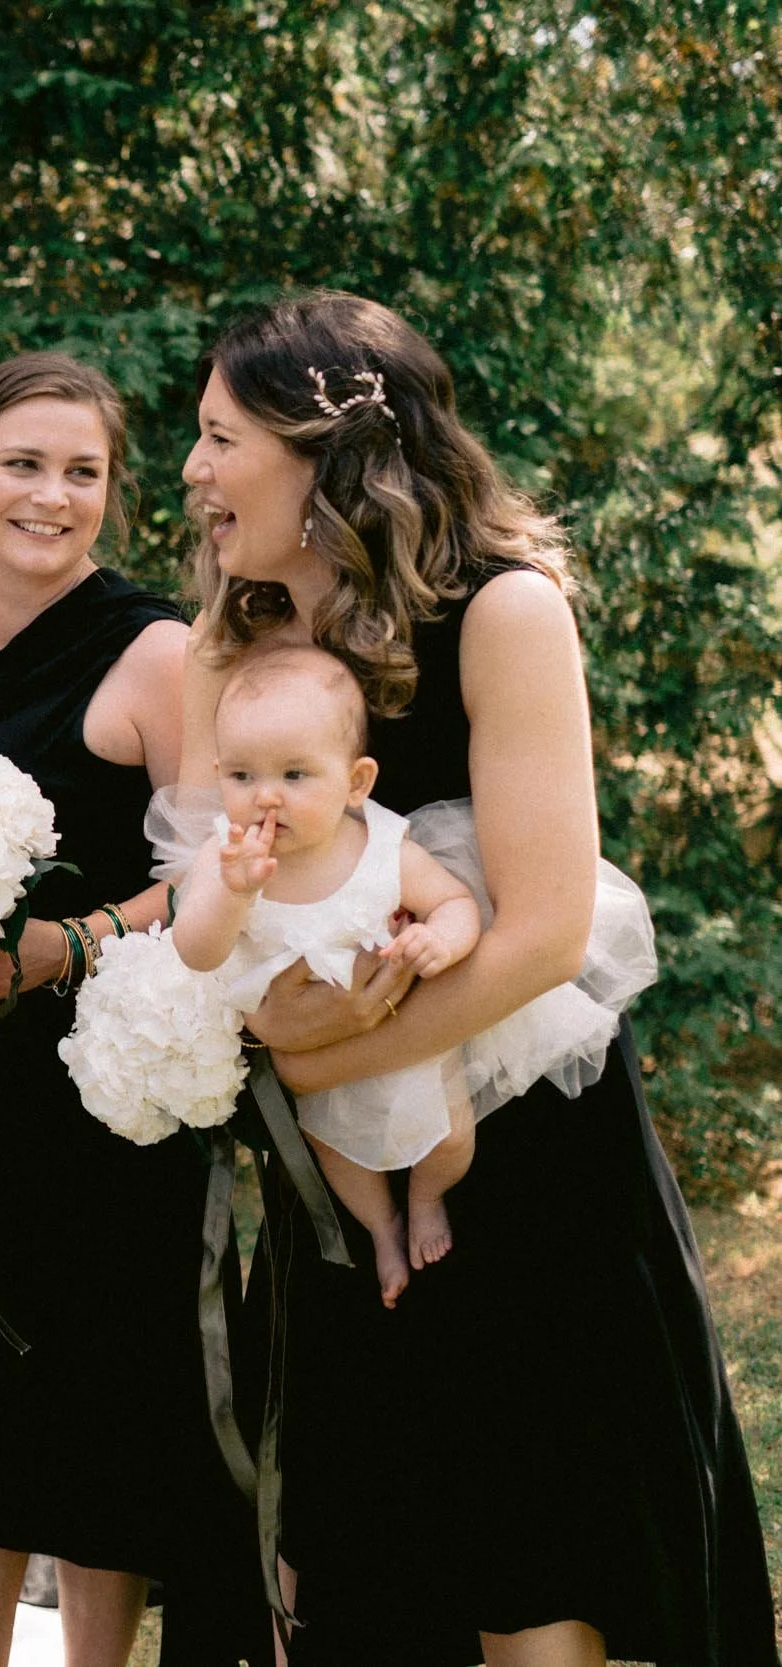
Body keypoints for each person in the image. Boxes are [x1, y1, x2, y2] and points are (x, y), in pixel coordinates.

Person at [178, 289, 775, 1666]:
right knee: (368, 1546)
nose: (196, 474)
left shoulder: (505, 609)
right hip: (337, 1169)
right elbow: (223, 888)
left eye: (219, 438)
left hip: (524, 1156)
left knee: (533, 1547)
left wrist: (321, 1057)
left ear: (320, 447)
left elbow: (547, 926)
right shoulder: (237, 638)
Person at [0, 353, 259, 1667]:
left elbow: (209, 874)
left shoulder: (159, 648)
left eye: (82, 471)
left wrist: (65, 944)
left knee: (103, 1407)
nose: (52, 494)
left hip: (102, 1081)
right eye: (23, 464)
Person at [168, 644, 484, 1303]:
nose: (266, 798)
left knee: (453, 1137)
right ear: (219, 773)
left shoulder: (381, 846)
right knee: (342, 1159)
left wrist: (439, 940)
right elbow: (196, 950)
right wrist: (231, 893)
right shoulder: (224, 857)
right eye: (244, 777)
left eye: (294, 774)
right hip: (319, 1057)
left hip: (413, 1041)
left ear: (356, 782)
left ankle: (428, 1198)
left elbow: (456, 901)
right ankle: (384, 1229)